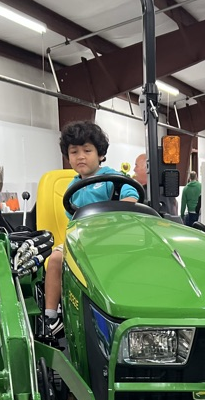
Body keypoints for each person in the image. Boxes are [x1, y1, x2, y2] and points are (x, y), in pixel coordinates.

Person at [43, 121, 139, 339]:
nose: (81, 157)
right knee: (56, 259)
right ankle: (51, 317)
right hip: (81, 240)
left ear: (101, 154)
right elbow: (73, 219)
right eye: (74, 152)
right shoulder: (72, 188)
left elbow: (131, 194)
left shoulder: (112, 178)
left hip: (112, 239)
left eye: (87, 150)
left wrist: (124, 203)